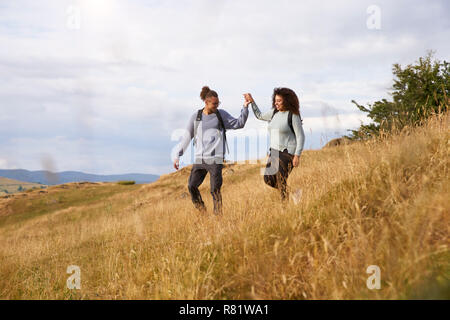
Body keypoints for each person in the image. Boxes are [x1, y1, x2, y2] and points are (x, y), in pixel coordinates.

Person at [174, 86, 250, 215]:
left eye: (218, 103)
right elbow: (187, 137)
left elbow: (239, 123)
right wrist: (178, 155)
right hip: (200, 159)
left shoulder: (221, 115)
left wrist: (245, 107)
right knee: (192, 186)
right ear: (206, 102)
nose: (216, 106)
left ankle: (218, 217)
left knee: (215, 189)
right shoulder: (196, 117)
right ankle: (202, 211)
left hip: (215, 159)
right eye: (214, 104)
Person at [244, 88, 305, 202]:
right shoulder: (274, 112)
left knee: (280, 178)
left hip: (287, 152)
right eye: (275, 100)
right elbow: (259, 115)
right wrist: (252, 102)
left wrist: (297, 155)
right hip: (274, 151)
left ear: (286, 101)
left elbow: (300, 136)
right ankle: (293, 193)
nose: (276, 103)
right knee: (268, 179)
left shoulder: (293, 115)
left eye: (279, 101)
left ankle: (284, 206)